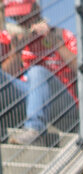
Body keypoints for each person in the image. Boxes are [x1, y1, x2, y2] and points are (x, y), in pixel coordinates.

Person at [0, 0, 76, 146]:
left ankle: (34, 129)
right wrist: (16, 51)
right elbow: (5, 78)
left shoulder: (61, 34)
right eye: (15, 18)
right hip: (27, 99)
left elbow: (80, 68)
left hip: (62, 101)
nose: (21, 22)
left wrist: (54, 41)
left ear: (36, 11)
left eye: (24, 16)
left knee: (37, 72)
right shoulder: (11, 40)